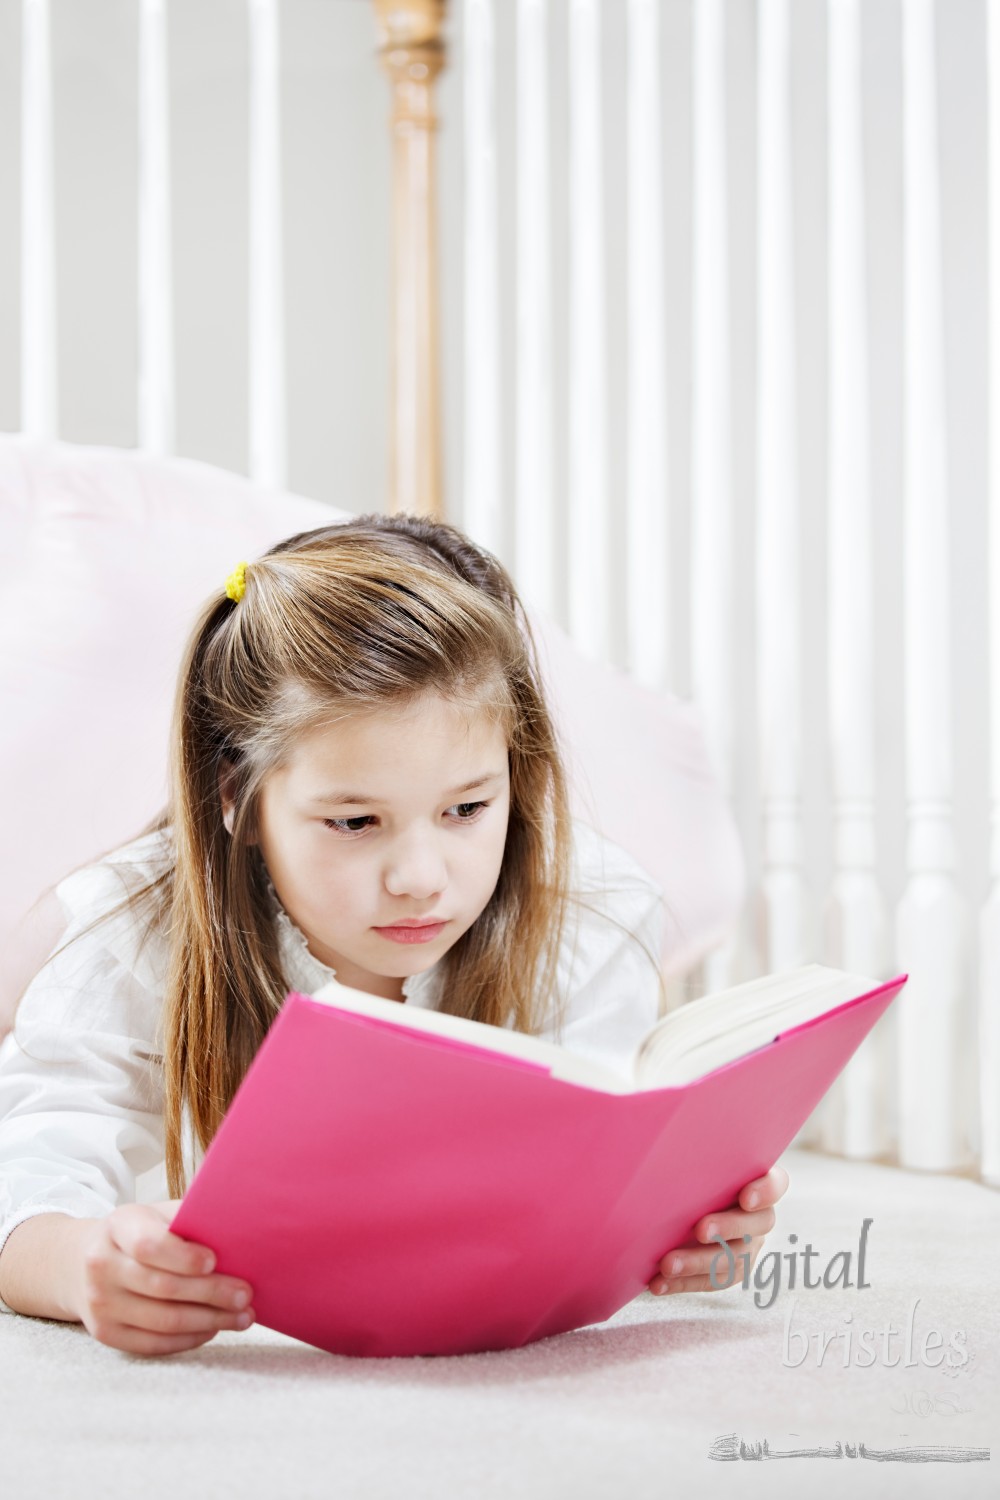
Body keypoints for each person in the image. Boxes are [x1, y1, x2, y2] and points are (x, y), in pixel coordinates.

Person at [0, 514, 787, 1356]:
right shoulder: (135, 927)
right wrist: (83, 1264)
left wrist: (676, 1226)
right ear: (239, 798)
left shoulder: (583, 913)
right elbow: (29, 1179)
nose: (420, 875)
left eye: (467, 809)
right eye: (354, 821)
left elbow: (598, 1167)